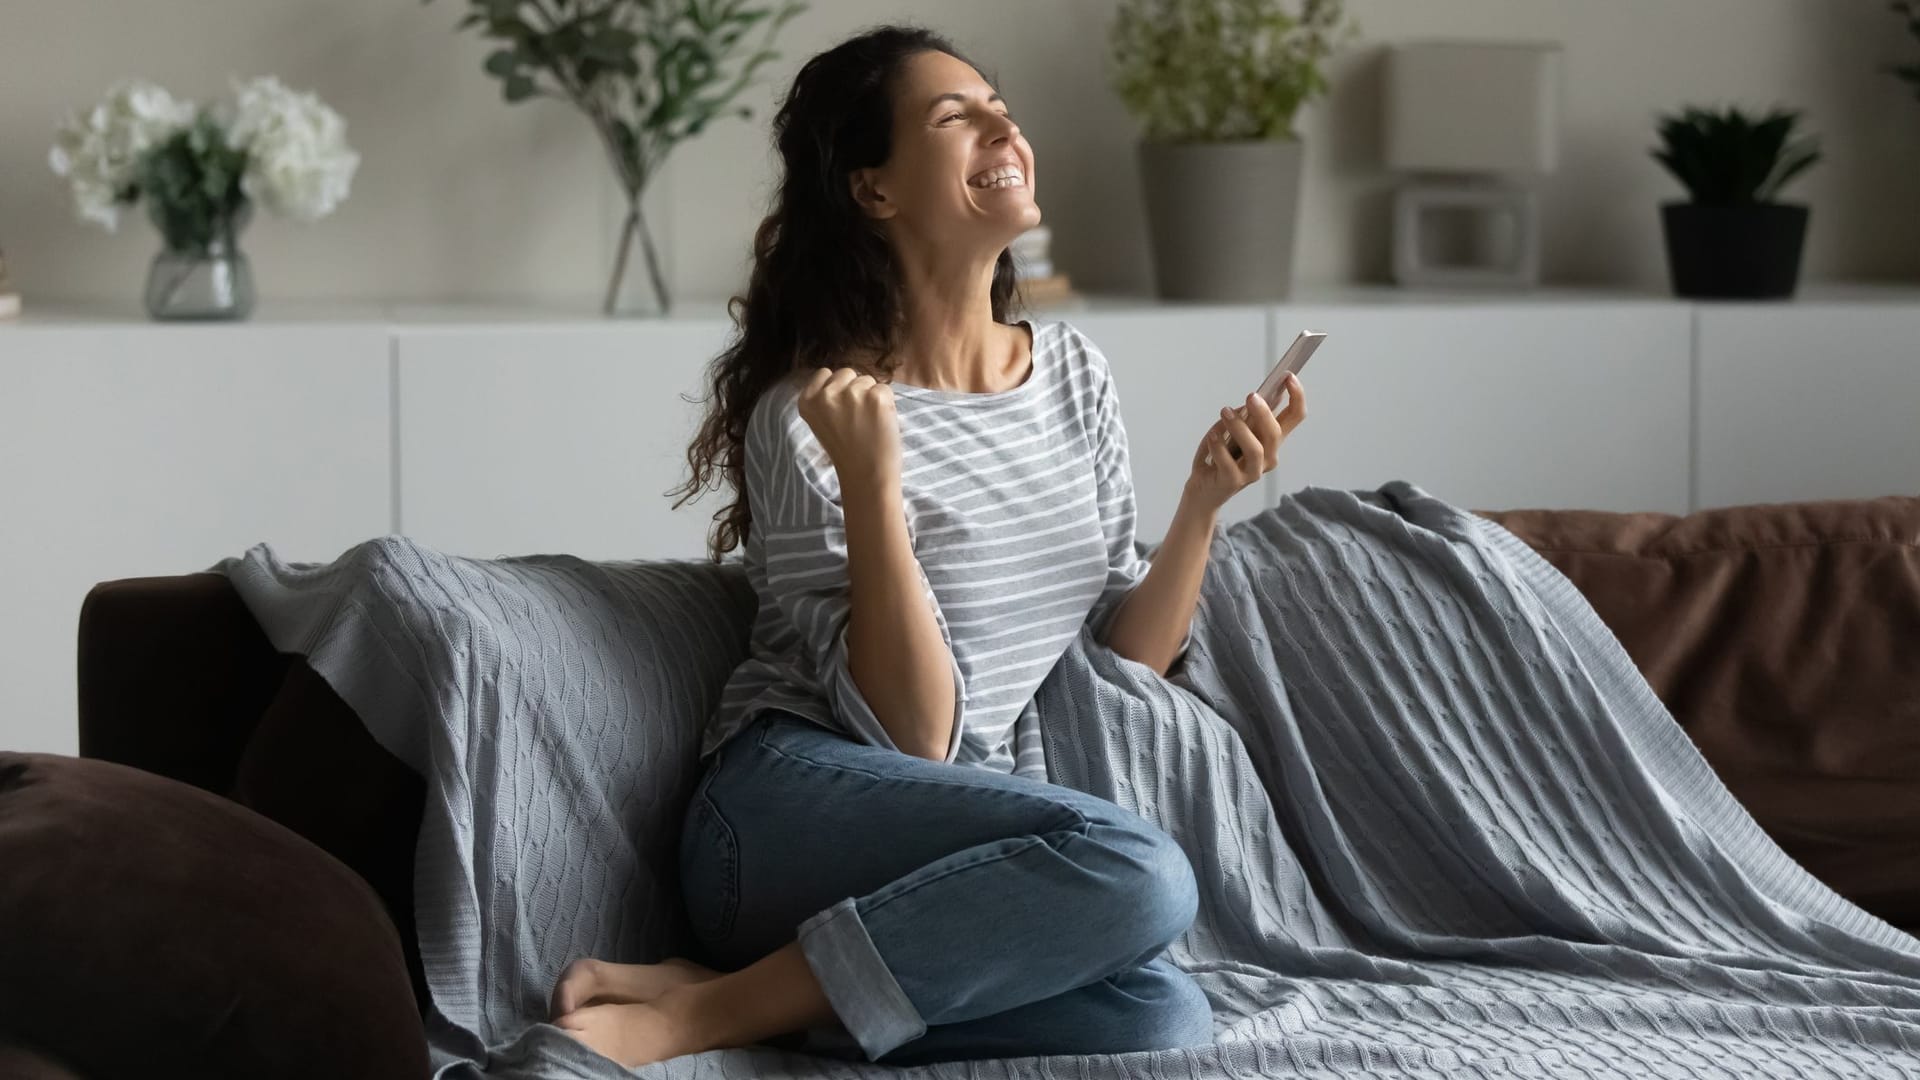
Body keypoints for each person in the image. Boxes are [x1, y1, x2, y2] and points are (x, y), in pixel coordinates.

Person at [546, 23, 1306, 1070]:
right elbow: (910, 740)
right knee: (1142, 872)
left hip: (952, 841)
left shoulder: (1074, 375)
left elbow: (1125, 659)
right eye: (958, 117)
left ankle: (762, 993)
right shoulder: (816, 413)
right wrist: (873, 484)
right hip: (783, 817)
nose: (1006, 125)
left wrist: (1201, 507)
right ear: (873, 190)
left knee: (1159, 1017)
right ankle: (699, 1019)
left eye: (1002, 105)